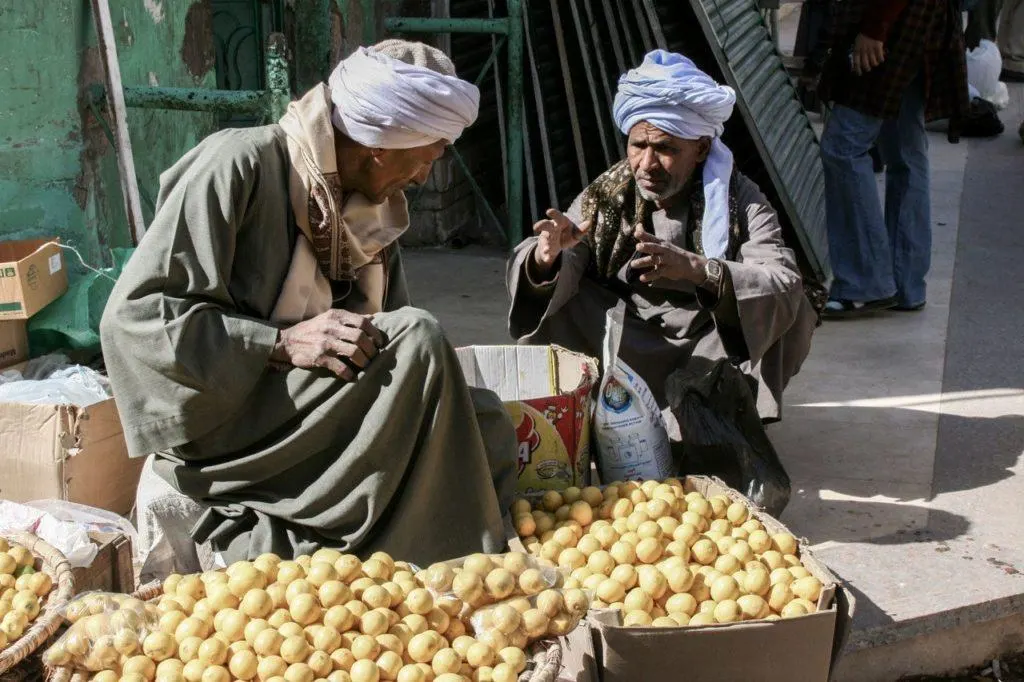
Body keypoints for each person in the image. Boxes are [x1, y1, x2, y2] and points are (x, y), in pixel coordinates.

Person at [99, 40, 518, 565]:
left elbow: (390, 353)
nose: (423, 177)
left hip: (311, 403)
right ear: (381, 144)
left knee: (484, 425)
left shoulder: (374, 210)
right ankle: (426, 573)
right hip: (232, 419)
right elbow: (134, 319)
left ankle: (427, 561)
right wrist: (277, 342)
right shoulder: (238, 163)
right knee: (418, 336)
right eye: (426, 158)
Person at [506, 50, 820, 432]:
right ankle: (599, 418)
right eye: (639, 146)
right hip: (627, 338)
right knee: (552, 298)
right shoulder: (608, 193)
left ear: (701, 148)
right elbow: (569, 253)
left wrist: (699, 270)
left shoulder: (741, 199)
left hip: (704, 346)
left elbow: (781, 278)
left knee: (792, 307)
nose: (647, 164)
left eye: (666, 148)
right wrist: (546, 260)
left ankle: (710, 423)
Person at [814, 0, 969, 317]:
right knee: (904, 151)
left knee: (843, 146)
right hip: (917, 18)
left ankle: (864, 282)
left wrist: (875, 26)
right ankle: (904, 284)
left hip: (897, 21)